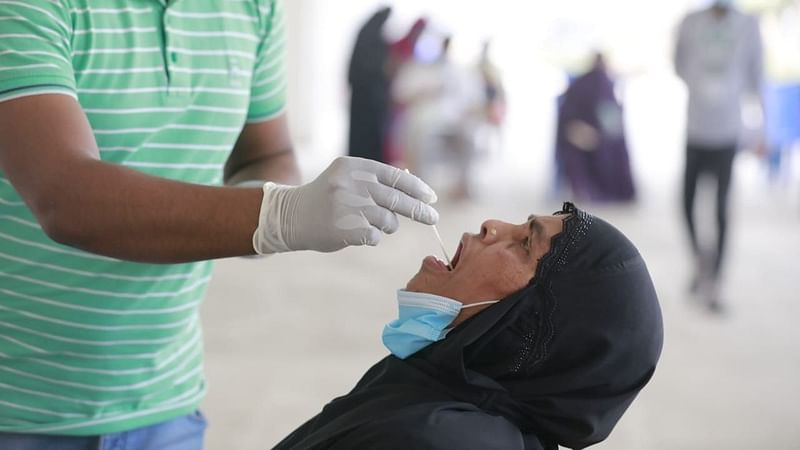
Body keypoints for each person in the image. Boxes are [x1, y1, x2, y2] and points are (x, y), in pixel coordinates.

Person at [0, 1, 440, 448]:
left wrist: (253, 207)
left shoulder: (253, 9)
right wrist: (275, 216)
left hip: (167, 401)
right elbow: (65, 196)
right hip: (19, 407)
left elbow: (265, 154)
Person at [274, 202, 664, 450]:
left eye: (526, 245)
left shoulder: (432, 441)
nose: (491, 225)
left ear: (530, 325)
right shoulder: (441, 383)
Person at [674, 0, 765, 312]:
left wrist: (759, 128)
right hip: (696, 127)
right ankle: (700, 259)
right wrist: (701, 85)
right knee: (686, 202)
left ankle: (716, 280)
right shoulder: (691, 21)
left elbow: (757, 75)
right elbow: (679, 63)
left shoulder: (747, 24)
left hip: (727, 132)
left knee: (721, 208)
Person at [555, 52, 636, 203]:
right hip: (578, 133)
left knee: (612, 150)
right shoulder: (593, 84)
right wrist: (580, 131)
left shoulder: (598, 84)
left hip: (599, 137)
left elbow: (611, 122)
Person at [347, 7, 392, 162]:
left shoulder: (369, 36)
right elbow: (374, 68)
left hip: (367, 97)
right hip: (366, 97)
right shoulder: (373, 39)